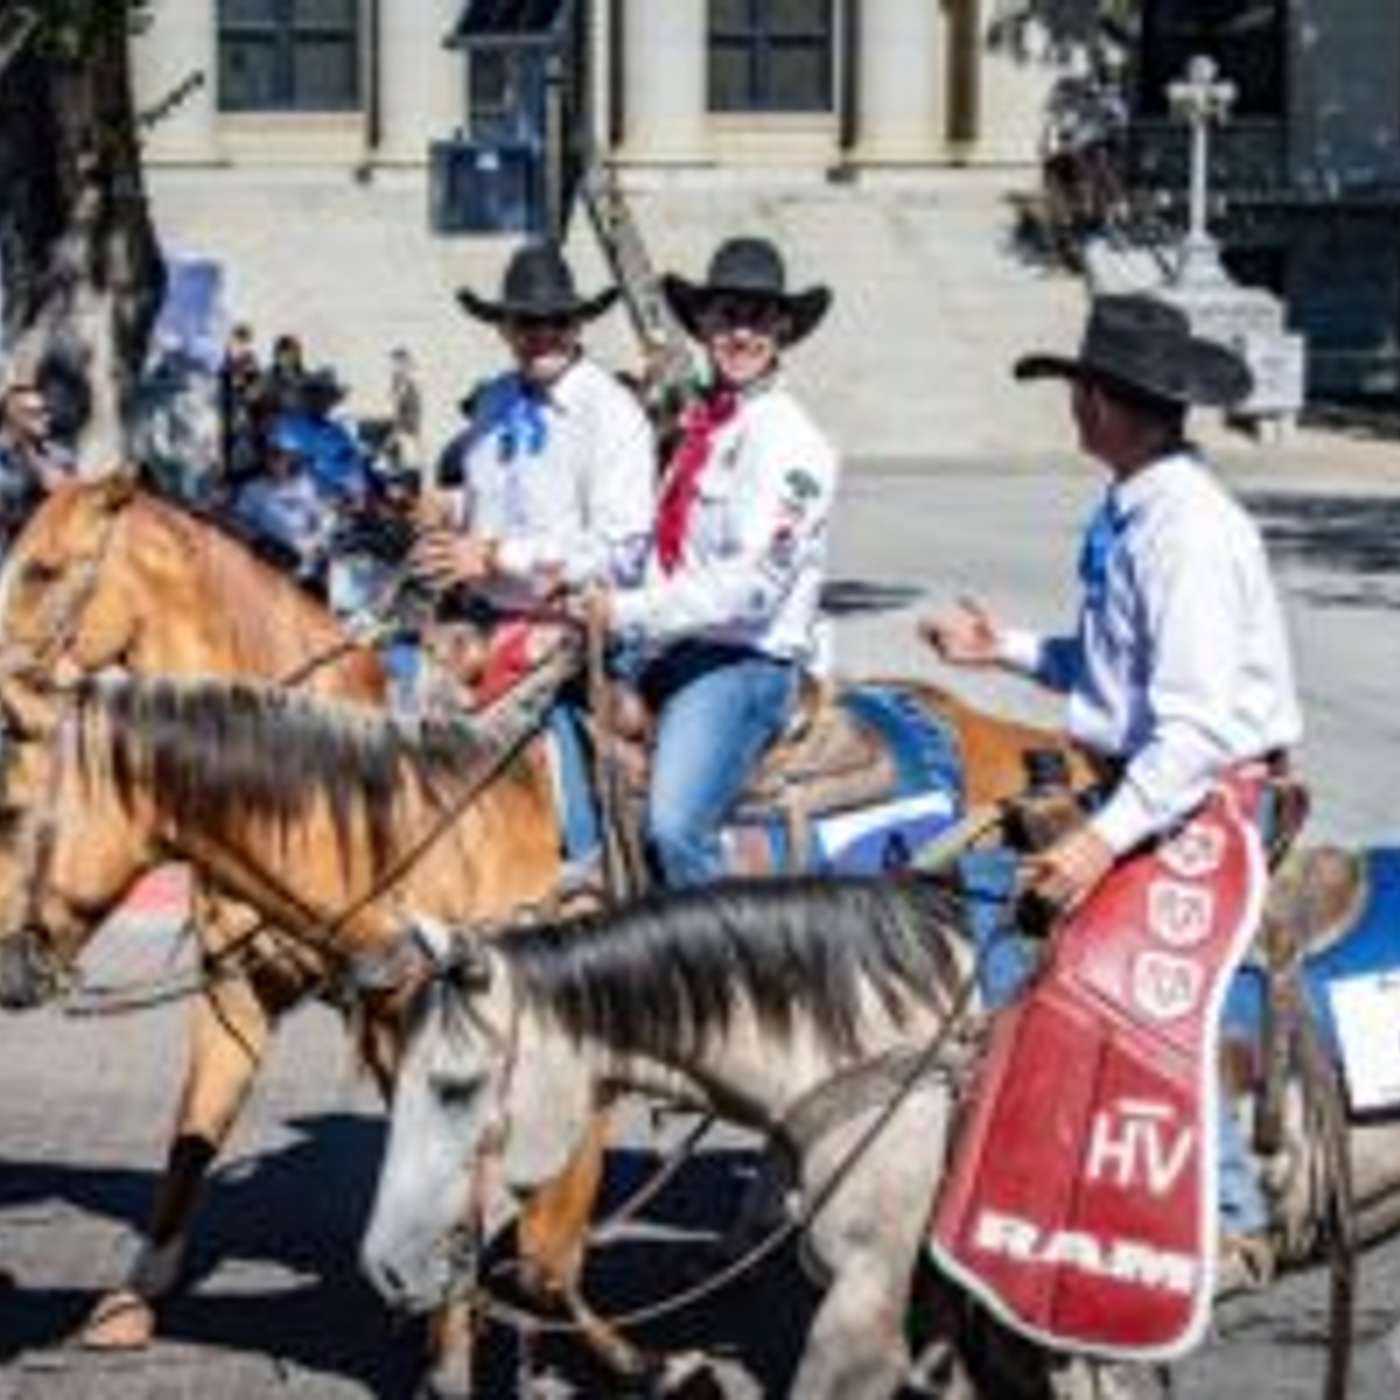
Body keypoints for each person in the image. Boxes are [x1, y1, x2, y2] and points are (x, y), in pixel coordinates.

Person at [921, 292, 1303, 1268]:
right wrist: (995, 647)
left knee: (1131, 965)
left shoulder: (1185, 531)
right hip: (1154, 777)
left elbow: (1192, 727)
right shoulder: (1139, 505)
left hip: (1206, 793)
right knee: (979, 897)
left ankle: (1223, 1213)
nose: (1073, 406)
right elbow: (1108, 671)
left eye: (1080, 389)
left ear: (1102, 402)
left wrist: (1096, 840)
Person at [583, 236, 839, 887]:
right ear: (702, 325)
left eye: (758, 318)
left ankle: (715, 973)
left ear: (783, 331)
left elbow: (751, 588)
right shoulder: (707, 429)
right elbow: (660, 554)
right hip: (669, 648)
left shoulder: (792, 442)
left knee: (674, 827)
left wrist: (628, 611)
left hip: (743, 662)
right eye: (726, 316)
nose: (740, 333)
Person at [409, 241, 656, 860]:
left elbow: (621, 546)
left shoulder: (613, 413)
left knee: (555, 745)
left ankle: (586, 871)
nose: (539, 334)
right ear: (504, 328)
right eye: (524, 321)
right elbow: (496, 504)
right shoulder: (494, 402)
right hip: (487, 617)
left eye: (555, 321)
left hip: (575, 623)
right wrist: (452, 511)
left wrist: (495, 556)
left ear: (577, 325)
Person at [233, 420, 335, 583]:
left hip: (303, 566)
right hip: (265, 565)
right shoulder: (253, 489)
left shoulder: (308, 485)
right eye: (271, 455)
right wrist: (260, 541)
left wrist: (312, 543)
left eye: (280, 454)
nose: (275, 461)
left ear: (291, 457)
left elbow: (324, 521)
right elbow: (240, 523)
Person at [0, 377, 74, 555]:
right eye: (35, 413)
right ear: (12, 418)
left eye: (46, 412)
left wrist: (30, 453)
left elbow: (64, 493)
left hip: (49, 548)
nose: (46, 418)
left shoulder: (60, 456)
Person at [388, 346, 424, 471]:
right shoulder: (400, 377)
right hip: (407, 409)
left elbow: (397, 396)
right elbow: (397, 397)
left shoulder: (402, 376)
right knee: (406, 437)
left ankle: (417, 461)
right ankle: (415, 462)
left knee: (409, 437)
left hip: (409, 409)